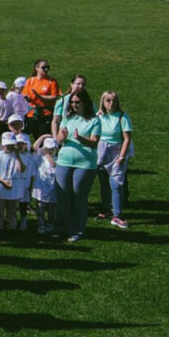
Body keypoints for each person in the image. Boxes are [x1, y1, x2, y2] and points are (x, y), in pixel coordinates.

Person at [54, 90, 100, 242]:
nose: (74, 105)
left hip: (85, 164)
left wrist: (80, 138)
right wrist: (62, 136)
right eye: (72, 102)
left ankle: (77, 230)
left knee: (78, 196)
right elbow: (59, 140)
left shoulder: (94, 120)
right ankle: (60, 228)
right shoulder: (68, 118)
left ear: (85, 103)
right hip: (64, 161)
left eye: (77, 102)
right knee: (63, 196)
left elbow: (94, 142)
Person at [96, 91, 133, 229]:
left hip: (116, 151)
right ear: (103, 102)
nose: (111, 103)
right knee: (104, 182)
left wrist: (122, 156)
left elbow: (127, 138)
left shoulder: (122, 117)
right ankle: (106, 208)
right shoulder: (99, 117)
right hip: (101, 151)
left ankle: (117, 215)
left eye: (114, 101)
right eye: (108, 100)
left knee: (116, 184)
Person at [21, 59, 60, 139]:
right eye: (44, 67)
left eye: (47, 67)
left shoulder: (51, 81)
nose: (46, 69)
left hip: (46, 114)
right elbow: (26, 95)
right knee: (32, 136)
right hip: (33, 114)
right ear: (37, 68)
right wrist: (27, 98)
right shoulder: (30, 81)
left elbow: (54, 97)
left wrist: (40, 97)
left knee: (43, 136)